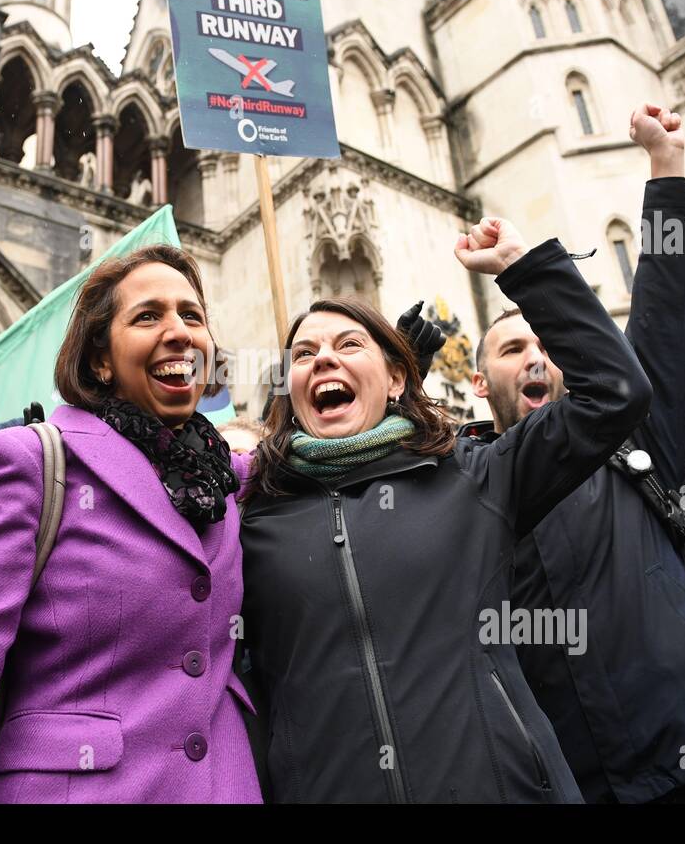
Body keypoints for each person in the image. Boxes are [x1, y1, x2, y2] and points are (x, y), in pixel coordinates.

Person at [238, 214, 654, 802]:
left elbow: (616, 392)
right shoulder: (251, 521)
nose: (322, 359)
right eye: (303, 354)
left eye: (349, 344)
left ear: (398, 378)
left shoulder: (474, 476)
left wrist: (528, 272)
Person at [0, 244, 262, 803]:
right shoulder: (31, 464)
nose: (178, 332)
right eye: (148, 316)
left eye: (191, 316)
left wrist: (398, 392)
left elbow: (323, 453)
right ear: (100, 359)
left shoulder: (227, 480)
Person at [462, 105, 685, 803]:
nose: (536, 358)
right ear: (480, 383)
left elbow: (670, 304)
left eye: (548, 344)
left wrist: (667, 170)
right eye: (513, 350)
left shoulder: (636, 441)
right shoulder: (464, 484)